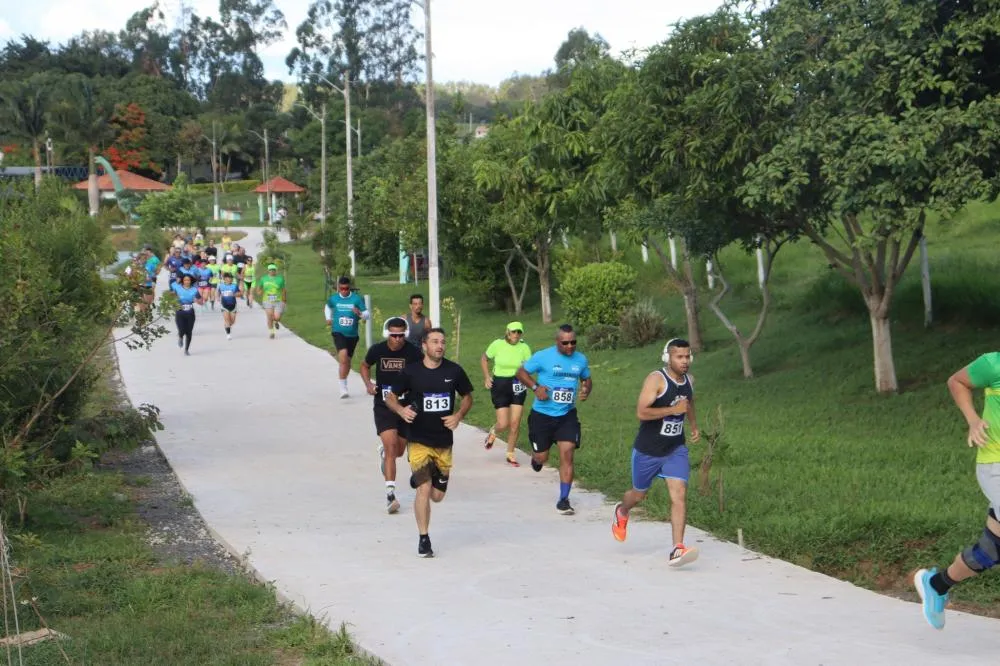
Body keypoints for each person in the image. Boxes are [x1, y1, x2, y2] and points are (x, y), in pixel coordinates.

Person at [914, 353, 1000, 630]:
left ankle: (937, 584)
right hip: (995, 465)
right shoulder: (993, 364)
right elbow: (957, 381)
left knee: (990, 551)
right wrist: (973, 420)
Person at [610, 338, 701, 567]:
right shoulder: (656, 380)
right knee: (638, 495)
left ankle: (677, 549)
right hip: (648, 450)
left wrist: (694, 426)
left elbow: (689, 403)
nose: (684, 361)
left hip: (675, 449)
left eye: (687, 356)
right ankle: (622, 511)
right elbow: (641, 413)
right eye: (679, 357)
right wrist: (672, 409)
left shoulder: (689, 380)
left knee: (679, 495)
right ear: (667, 358)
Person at [386, 328, 474, 557]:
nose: (440, 346)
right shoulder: (411, 371)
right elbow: (390, 396)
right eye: (435, 341)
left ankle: (429, 475)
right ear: (424, 345)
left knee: (437, 496)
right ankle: (424, 539)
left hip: (443, 442)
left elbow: (467, 397)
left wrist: (458, 416)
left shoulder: (454, 371)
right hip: (418, 440)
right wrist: (400, 409)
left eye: (443, 342)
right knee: (424, 488)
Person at [515, 324, 592, 515]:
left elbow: (586, 378)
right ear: (557, 341)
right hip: (542, 415)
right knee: (542, 456)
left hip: (567, 415)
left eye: (573, 342)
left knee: (567, 454)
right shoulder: (543, 356)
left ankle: (564, 500)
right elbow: (521, 372)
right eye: (565, 343)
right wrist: (535, 388)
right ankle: (537, 458)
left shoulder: (580, 359)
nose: (570, 346)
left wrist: (586, 389)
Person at [360, 317, 424, 513]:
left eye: (401, 335)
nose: (397, 339)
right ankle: (390, 495)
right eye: (393, 335)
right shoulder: (378, 350)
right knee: (391, 448)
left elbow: (422, 372)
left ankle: (385, 454)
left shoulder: (413, 352)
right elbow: (364, 365)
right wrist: (369, 384)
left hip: (405, 407)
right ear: (388, 333)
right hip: (384, 405)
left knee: (398, 451)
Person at [481, 321, 533, 467]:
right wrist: (486, 376)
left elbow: (530, 366)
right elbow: (484, 358)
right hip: (500, 384)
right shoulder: (497, 344)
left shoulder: (524, 347)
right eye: (514, 332)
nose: (516, 335)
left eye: (519, 332)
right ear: (508, 332)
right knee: (504, 423)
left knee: (515, 423)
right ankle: (494, 431)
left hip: (518, 384)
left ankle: (510, 454)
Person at [325, 276, 369, 398]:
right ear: (338, 288)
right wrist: (328, 318)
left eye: (346, 288)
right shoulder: (334, 298)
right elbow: (327, 306)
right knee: (343, 356)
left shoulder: (356, 299)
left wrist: (360, 313)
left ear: (350, 288)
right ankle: (342, 387)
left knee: (347, 362)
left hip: (352, 335)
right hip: (338, 332)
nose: (344, 291)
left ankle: (344, 382)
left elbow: (367, 314)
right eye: (342, 289)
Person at [170, 274, 202, 355]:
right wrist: (174, 300)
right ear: (182, 281)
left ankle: (186, 350)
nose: (187, 282)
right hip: (180, 312)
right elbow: (171, 296)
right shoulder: (177, 288)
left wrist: (197, 301)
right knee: (181, 330)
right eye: (185, 280)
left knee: (189, 332)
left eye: (188, 280)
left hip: (190, 312)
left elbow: (201, 302)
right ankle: (180, 337)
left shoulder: (194, 290)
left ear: (191, 281)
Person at [257, 263, 287, 339]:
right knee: (269, 316)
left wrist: (284, 300)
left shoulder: (280, 279)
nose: (272, 271)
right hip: (267, 300)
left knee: (277, 317)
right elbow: (259, 288)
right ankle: (272, 332)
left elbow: (283, 290)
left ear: (276, 270)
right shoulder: (264, 278)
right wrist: (259, 292)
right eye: (271, 270)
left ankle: (276, 322)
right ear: (268, 271)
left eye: (274, 270)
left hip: (278, 300)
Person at [218, 272, 242, 340]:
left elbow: (240, 293)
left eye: (231, 278)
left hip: (233, 305)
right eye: (228, 278)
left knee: (232, 321)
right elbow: (219, 292)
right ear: (224, 279)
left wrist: (236, 294)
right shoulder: (221, 285)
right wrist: (217, 297)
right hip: (224, 305)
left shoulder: (234, 286)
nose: (230, 279)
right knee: (227, 320)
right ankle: (228, 334)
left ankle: (227, 327)